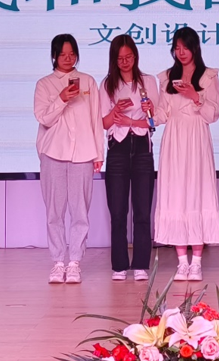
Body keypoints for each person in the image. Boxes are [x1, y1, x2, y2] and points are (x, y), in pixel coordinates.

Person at [152, 27, 219, 282]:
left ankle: (197, 262)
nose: (181, 52)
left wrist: (195, 97)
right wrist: (149, 111)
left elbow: (213, 114)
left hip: (197, 139)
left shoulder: (209, 76)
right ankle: (182, 262)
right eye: (177, 48)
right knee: (176, 195)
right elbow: (162, 114)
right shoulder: (167, 77)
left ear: (195, 48)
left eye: (185, 47)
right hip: (174, 141)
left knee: (197, 193)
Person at [33, 34, 103, 284]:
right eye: (62, 54)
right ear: (54, 56)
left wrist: (98, 154)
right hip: (53, 154)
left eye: (72, 54)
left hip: (83, 154)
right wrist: (62, 98)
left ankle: (74, 262)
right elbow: (44, 118)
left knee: (80, 211)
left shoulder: (88, 81)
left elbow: (96, 120)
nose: (68, 58)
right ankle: (57, 262)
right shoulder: (45, 84)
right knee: (54, 211)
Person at [99, 35, 160, 283]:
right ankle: (119, 265)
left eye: (129, 57)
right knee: (118, 211)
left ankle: (141, 264)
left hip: (143, 148)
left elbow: (154, 120)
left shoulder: (148, 81)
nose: (125, 62)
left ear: (135, 56)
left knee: (142, 210)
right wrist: (116, 111)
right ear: (114, 60)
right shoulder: (107, 85)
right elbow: (104, 123)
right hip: (118, 149)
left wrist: (144, 113)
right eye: (120, 58)